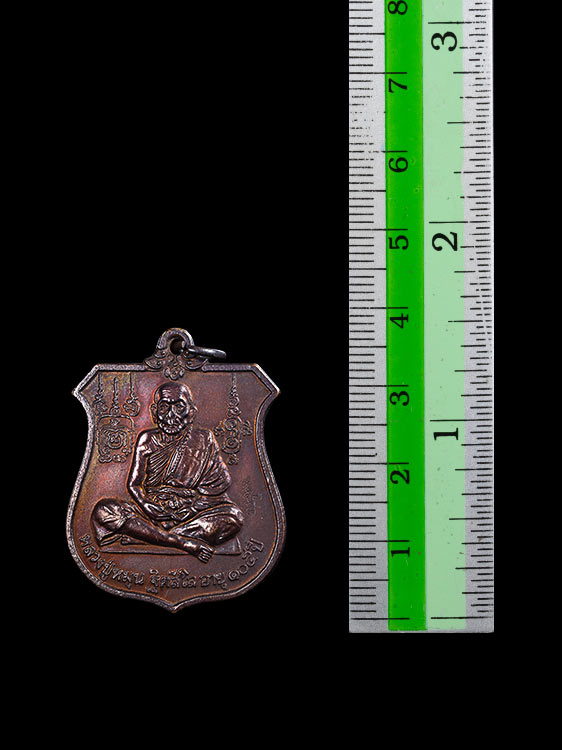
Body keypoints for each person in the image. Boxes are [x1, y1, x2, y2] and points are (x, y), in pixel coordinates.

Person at [91, 382, 244, 563]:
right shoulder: (147, 439)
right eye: (164, 407)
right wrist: (146, 505)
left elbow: (215, 491)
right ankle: (181, 542)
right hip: (151, 511)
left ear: (191, 412)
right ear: (154, 412)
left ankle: (148, 537)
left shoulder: (203, 439)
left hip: (189, 513)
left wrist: (191, 509)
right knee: (104, 509)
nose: (171, 415)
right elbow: (134, 484)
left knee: (233, 517)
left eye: (179, 407)